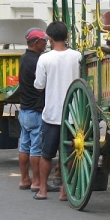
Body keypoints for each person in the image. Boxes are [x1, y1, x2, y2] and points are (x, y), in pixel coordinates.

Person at [33, 20, 81, 201]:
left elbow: (39, 85)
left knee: (46, 155)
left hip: (52, 113)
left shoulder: (44, 59)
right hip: (74, 114)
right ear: (67, 37)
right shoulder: (77, 56)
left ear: (50, 38)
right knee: (70, 154)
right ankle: (64, 190)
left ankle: (43, 190)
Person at [17, 27, 58, 193]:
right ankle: (37, 181)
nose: (46, 43)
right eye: (44, 41)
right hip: (36, 110)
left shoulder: (23, 58)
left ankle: (24, 179)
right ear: (36, 42)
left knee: (24, 146)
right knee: (36, 148)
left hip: (24, 110)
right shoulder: (37, 61)